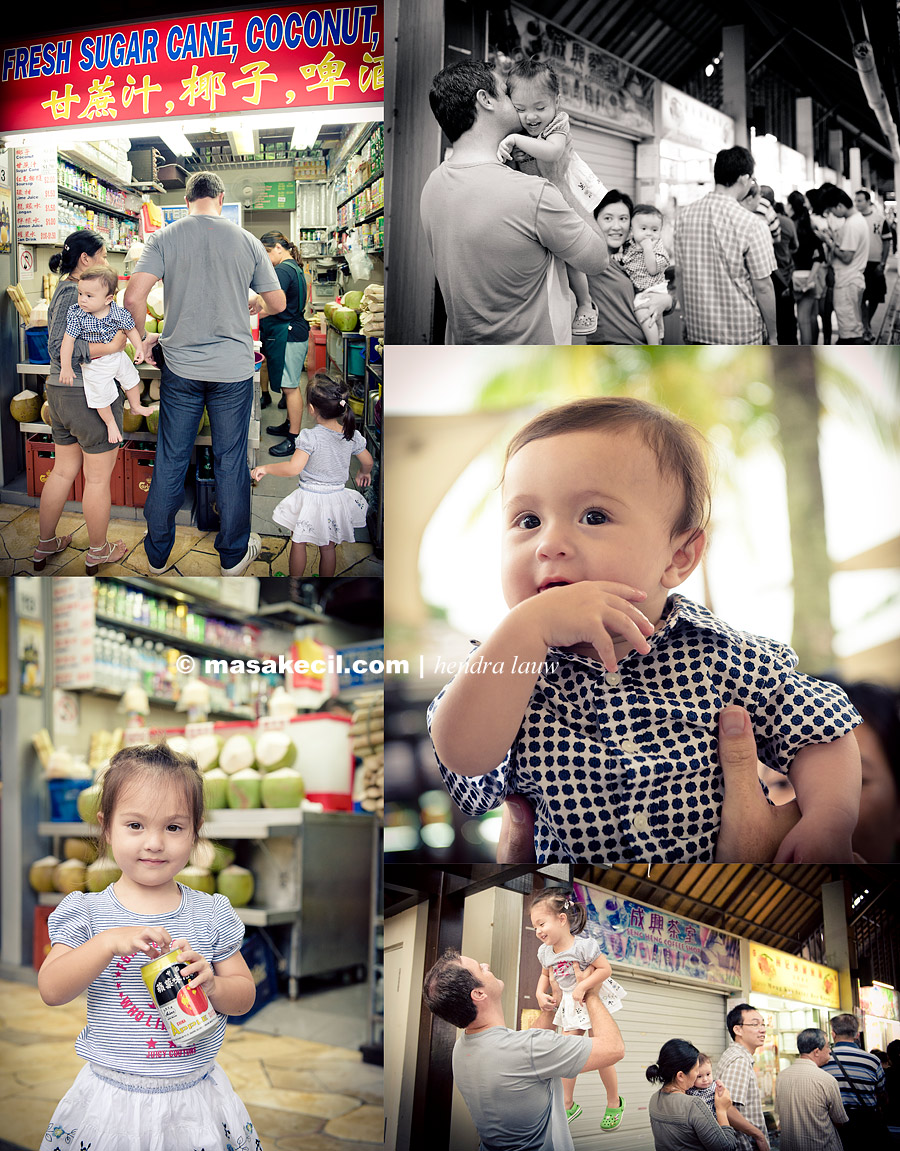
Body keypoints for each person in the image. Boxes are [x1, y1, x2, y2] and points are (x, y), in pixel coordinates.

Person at [428, 396, 862, 865]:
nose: (549, 544)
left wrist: (829, 819)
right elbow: (462, 753)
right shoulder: (510, 669)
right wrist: (526, 627)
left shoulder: (721, 657)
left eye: (594, 516)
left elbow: (822, 728)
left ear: (679, 558)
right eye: (528, 521)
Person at [37, 744, 260, 1150]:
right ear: (106, 827)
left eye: (173, 828)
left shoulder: (210, 913)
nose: (154, 843)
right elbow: (51, 990)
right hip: (112, 1099)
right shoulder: (87, 913)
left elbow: (244, 996)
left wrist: (213, 987)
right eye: (135, 825)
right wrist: (105, 943)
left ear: (195, 830)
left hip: (194, 1099)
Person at [124, 171, 285, 576]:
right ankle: (232, 556)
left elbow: (133, 296)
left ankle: (158, 554)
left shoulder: (164, 237)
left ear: (188, 199)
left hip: (180, 368)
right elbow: (278, 302)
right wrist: (257, 307)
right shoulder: (247, 241)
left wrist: (143, 338)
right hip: (232, 370)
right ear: (220, 197)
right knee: (230, 460)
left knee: (172, 456)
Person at [420, 60, 608, 344]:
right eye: (506, 93)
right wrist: (557, 181)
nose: (519, 104)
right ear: (485, 100)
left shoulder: (432, 186)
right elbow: (598, 260)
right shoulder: (533, 193)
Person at [422, 947, 624, 1151]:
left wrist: (556, 1002)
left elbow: (523, 1047)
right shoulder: (528, 1049)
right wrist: (590, 993)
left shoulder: (462, 1049)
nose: (486, 965)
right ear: (479, 993)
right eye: (480, 969)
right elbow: (613, 1048)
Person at [36, 231, 135, 574]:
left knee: (62, 472)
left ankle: (45, 542)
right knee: (95, 481)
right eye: (104, 255)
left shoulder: (72, 292)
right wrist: (110, 349)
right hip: (85, 394)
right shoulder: (72, 295)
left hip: (61, 395)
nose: (107, 262)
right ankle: (98, 551)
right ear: (85, 260)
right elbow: (57, 349)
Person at [497, 57, 606, 336]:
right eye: (520, 109)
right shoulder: (518, 129)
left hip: (561, 192)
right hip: (536, 202)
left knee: (571, 258)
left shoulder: (558, 124)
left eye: (540, 107)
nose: (531, 117)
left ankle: (585, 303)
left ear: (557, 101)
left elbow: (554, 152)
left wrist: (517, 142)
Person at [250, 373, 373, 576]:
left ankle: (294, 581)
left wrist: (267, 468)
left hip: (310, 500)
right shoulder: (351, 434)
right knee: (327, 547)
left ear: (312, 409)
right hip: (336, 500)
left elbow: (293, 468)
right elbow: (368, 460)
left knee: (298, 541)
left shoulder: (310, 437)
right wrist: (363, 472)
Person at [530, 888, 626, 1129]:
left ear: (562, 919)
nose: (539, 931)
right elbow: (544, 975)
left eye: (542, 924)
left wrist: (584, 986)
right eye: (535, 927)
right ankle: (568, 1104)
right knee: (565, 1056)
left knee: (603, 1055)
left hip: (591, 1000)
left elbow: (605, 970)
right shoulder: (544, 952)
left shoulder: (584, 946)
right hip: (570, 1005)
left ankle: (614, 1101)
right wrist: (540, 993)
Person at [674, 146, 778, 344]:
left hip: (698, 332)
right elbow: (763, 286)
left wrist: (685, 319)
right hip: (742, 335)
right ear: (743, 178)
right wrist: (773, 336)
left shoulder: (684, 216)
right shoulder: (752, 223)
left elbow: (680, 273)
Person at [58, 265, 153, 443]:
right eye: (80, 294)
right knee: (99, 397)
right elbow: (67, 342)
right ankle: (110, 423)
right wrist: (65, 367)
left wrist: (139, 347)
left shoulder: (117, 312)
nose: (82, 300)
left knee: (132, 379)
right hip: (95, 363)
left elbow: (130, 329)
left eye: (89, 296)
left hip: (117, 356)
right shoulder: (77, 315)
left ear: (108, 298)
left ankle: (135, 406)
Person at [255, 231, 311, 456]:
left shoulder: (282, 270)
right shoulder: (294, 268)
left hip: (290, 333)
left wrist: (257, 307)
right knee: (290, 384)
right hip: (294, 330)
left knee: (290, 387)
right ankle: (289, 424)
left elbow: (273, 302)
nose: (267, 258)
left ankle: (294, 438)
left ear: (279, 247)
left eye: (267, 252)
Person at [585, 191, 665, 344]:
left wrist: (667, 301)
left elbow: (658, 285)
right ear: (595, 222)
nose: (616, 226)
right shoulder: (592, 260)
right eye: (608, 218)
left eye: (623, 219)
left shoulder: (637, 256)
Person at [647, 1038, 737, 1150]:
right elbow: (726, 1148)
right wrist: (721, 1110)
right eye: (696, 1071)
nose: (698, 1076)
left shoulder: (654, 1099)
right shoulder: (693, 1104)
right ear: (680, 1076)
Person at [822, 1012, 887, 1148]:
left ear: (833, 1034)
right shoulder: (873, 1060)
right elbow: (881, 1093)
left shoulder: (824, 1060)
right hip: (868, 1125)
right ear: (857, 1034)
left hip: (836, 1127)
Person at [776, 1028, 847, 1151]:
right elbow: (839, 1120)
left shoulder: (781, 1076)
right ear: (816, 1052)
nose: (830, 1051)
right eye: (827, 1046)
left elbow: (780, 1115)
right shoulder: (826, 1080)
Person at [816, 187, 869, 344]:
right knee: (852, 325)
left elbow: (846, 256)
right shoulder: (857, 220)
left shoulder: (852, 225)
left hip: (847, 281)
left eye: (832, 210)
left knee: (849, 330)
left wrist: (829, 242)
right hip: (852, 279)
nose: (832, 214)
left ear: (839, 206)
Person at [715, 1004, 770, 1151]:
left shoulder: (735, 1054)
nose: (763, 1029)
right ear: (737, 1029)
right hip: (745, 1144)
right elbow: (726, 1107)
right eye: (755, 1024)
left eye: (763, 1024)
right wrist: (758, 1135)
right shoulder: (739, 1060)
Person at [617, 203, 671, 344]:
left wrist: (648, 249)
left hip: (653, 288)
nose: (649, 233)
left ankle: (653, 345)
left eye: (654, 229)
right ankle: (659, 338)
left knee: (642, 310)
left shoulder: (657, 248)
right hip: (643, 288)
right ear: (632, 230)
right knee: (655, 319)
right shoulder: (629, 245)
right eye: (643, 228)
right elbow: (624, 257)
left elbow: (652, 269)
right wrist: (618, 254)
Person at [786, 191, 827, 346]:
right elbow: (820, 257)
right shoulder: (810, 229)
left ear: (790, 206)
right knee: (809, 319)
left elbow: (786, 257)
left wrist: (791, 277)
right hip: (810, 277)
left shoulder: (789, 227)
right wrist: (811, 278)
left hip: (793, 277)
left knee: (801, 321)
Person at [854, 190, 892, 340]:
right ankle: (865, 327)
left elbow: (887, 241)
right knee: (861, 297)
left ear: (868, 201)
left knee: (876, 297)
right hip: (859, 264)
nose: (857, 203)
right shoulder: (854, 220)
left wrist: (882, 263)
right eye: (855, 200)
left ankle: (866, 323)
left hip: (875, 263)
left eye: (860, 200)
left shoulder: (880, 220)